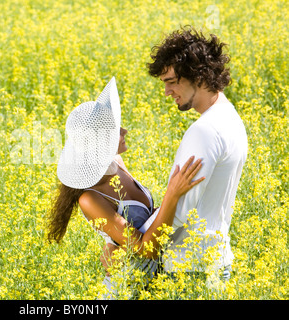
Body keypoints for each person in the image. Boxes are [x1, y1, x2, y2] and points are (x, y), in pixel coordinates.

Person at [47, 77, 204, 297]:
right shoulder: (89, 199)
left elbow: (145, 223)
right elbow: (144, 249)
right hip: (127, 289)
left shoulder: (117, 163)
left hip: (159, 280)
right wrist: (173, 195)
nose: (125, 131)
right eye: (116, 131)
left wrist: (118, 246)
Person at [146, 26, 248, 278]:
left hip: (189, 267)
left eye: (171, 82)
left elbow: (179, 211)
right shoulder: (231, 117)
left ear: (199, 76)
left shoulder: (204, 130)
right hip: (213, 261)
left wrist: (126, 239)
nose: (167, 92)